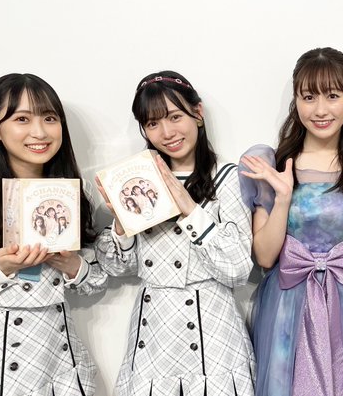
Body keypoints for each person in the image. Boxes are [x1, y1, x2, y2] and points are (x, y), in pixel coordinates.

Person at [239, 47, 343, 396]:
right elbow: (266, 258)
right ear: (296, 101)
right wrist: (283, 197)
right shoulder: (272, 165)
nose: (320, 110)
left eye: (332, 96)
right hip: (287, 308)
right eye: (309, 97)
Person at [95, 71, 255, 395]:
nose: (167, 132)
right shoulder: (136, 180)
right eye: (153, 123)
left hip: (213, 331)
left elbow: (238, 270)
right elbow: (117, 268)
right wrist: (122, 227)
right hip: (154, 329)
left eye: (175, 116)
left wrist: (189, 209)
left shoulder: (227, 177)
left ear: (198, 113)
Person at [0, 73, 107, 395]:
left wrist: (72, 265)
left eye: (49, 118)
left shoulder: (75, 193)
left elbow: (96, 279)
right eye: (22, 119)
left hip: (59, 354)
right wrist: (0, 267)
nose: (39, 132)